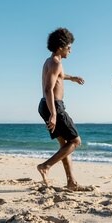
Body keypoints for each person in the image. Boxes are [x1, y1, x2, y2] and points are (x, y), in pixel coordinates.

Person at [37, 27, 85, 190]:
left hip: (45, 105)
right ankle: (46, 166)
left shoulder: (51, 62)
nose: (70, 51)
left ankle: (71, 182)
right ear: (60, 47)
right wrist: (54, 114)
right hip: (54, 106)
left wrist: (73, 78)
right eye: (69, 47)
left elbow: (60, 76)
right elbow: (48, 89)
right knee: (76, 141)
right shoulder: (55, 63)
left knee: (65, 144)